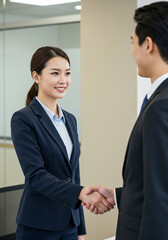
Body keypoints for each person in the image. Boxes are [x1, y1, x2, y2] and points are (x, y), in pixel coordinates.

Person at [83, 2, 168, 240]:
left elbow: (160, 200)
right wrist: (119, 196)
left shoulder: (160, 107)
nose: (132, 50)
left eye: (133, 42)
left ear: (148, 44)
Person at [11, 46, 113, 240]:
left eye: (67, 73)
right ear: (36, 76)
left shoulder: (70, 119)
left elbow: (74, 175)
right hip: (38, 225)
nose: (63, 80)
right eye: (55, 73)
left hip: (70, 225)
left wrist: (80, 229)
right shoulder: (23, 119)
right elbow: (36, 176)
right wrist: (81, 193)